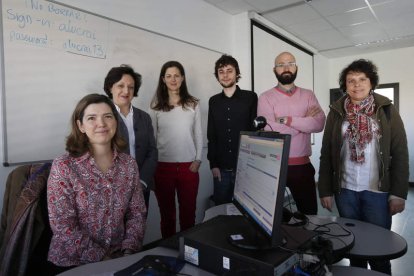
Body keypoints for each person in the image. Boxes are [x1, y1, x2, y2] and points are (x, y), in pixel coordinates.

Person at [318, 59, 408, 275]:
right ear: (345, 85)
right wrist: (325, 189)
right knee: (354, 246)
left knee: (379, 248)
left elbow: (401, 153)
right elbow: (326, 153)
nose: (356, 85)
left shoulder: (386, 110)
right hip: (346, 190)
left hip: (377, 192)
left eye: (362, 79)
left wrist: (398, 193)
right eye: (351, 81)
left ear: (371, 82)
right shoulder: (337, 112)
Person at [47, 94, 146, 272]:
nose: (101, 123)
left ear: (115, 122)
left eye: (108, 116)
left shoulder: (128, 165)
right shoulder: (64, 166)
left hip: (119, 258)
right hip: (72, 262)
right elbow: (63, 226)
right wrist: (103, 259)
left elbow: (137, 213)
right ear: (81, 126)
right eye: (92, 118)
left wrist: (128, 251)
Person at [257, 51, 325, 215]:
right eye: (281, 65)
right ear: (275, 70)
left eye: (290, 63)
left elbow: (319, 123)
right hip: (273, 164)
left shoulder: (308, 95)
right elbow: (270, 130)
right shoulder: (265, 97)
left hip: (302, 167)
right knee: (272, 217)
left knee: (309, 216)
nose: (286, 68)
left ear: (296, 68)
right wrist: (303, 120)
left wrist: (286, 120)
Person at [149, 61, 203, 238]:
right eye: (169, 76)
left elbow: (198, 134)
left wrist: (198, 159)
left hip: (189, 167)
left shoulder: (193, 104)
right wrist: (153, 166)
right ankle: (168, 251)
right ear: (163, 79)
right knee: (167, 217)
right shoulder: (156, 105)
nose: (173, 79)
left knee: (188, 215)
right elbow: (153, 139)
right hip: (163, 168)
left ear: (183, 78)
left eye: (176, 75)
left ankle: (188, 252)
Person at [104, 64, 158, 210]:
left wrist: (143, 181)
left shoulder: (144, 117)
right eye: (120, 85)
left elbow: (152, 151)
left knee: (139, 227)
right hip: (113, 189)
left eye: (131, 87)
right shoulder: (103, 116)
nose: (126, 91)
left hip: (141, 186)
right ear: (110, 88)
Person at [207, 54, 258, 205]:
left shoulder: (250, 97)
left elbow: (254, 134)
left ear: (237, 73)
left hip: (245, 167)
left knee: (246, 210)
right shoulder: (213, 101)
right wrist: (213, 165)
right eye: (221, 71)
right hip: (221, 169)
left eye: (229, 70)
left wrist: (252, 164)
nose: (225, 75)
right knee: (221, 209)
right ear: (217, 76)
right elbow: (212, 134)